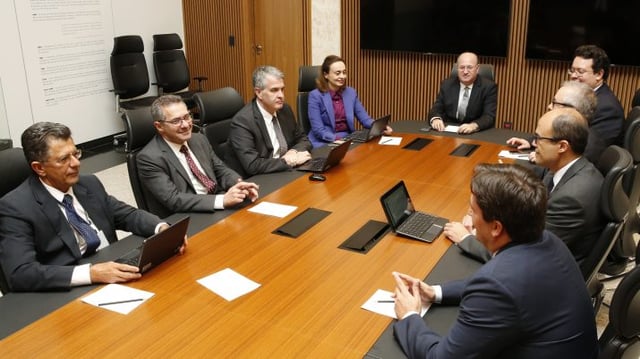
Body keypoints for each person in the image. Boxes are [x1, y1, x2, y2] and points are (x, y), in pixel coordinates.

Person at [392, 163, 599, 359]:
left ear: (496, 227)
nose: (470, 219)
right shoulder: (547, 240)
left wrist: (409, 315)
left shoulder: (497, 284)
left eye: (472, 211)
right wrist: (436, 292)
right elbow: (503, 287)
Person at [0, 122, 182, 292]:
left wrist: (162, 229)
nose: (76, 163)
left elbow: (127, 215)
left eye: (76, 153)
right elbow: (20, 273)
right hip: (67, 287)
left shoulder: (88, 183)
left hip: (110, 268)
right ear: (39, 168)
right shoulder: (15, 208)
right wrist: (90, 273)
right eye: (64, 159)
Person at [446, 108, 605, 264]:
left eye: (539, 138)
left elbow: (526, 255)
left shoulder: (571, 199)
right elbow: (522, 186)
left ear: (562, 146)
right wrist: (478, 209)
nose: (534, 143)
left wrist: (466, 239)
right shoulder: (566, 168)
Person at [136, 95, 259, 219]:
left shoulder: (199, 139)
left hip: (216, 203)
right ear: (159, 126)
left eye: (187, 117)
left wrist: (239, 184)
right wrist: (222, 200)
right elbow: (174, 199)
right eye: (176, 121)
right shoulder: (148, 158)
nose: (185, 125)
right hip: (187, 216)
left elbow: (220, 169)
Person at [229, 65, 312, 176]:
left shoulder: (285, 110)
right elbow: (253, 165)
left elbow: (303, 139)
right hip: (258, 179)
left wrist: (293, 152)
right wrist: (288, 161)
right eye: (274, 90)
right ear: (259, 93)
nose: (281, 95)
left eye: (282, 89)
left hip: (283, 172)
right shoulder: (242, 122)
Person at [507, 81, 606, 164]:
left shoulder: (586, 149)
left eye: (555, 103)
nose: (549, 106)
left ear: (571, 110)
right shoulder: (572, 133)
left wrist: (543, 157)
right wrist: (532, 143)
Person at [307, 55, 392, 148]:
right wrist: (338, 139)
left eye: (344, 72)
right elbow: (318, 130)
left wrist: (379, 127)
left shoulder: (350, 92)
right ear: (326, 75)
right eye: (337, 73)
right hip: (324, 141)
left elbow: (365, 119)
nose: (342, 76)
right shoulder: (315, 96)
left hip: (347, 138)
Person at [427, 52, 497, 134]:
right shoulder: (447, 85)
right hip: (448, 131)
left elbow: (489, 116)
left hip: (474, 133)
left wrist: (473, 126)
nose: (465, 71)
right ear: (457, 68)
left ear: (477, 68)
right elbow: (436, 108)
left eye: (469, 67)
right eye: (462, 67)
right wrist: (435, 119)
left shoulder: (488, 87)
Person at [569, 44, 624, 147]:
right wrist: (535, 140)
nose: (573, 76)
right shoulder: (580, 95)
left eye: (580, 72)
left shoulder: (608, 109)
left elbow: (589, 149)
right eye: (572, 70)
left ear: (599, 74)